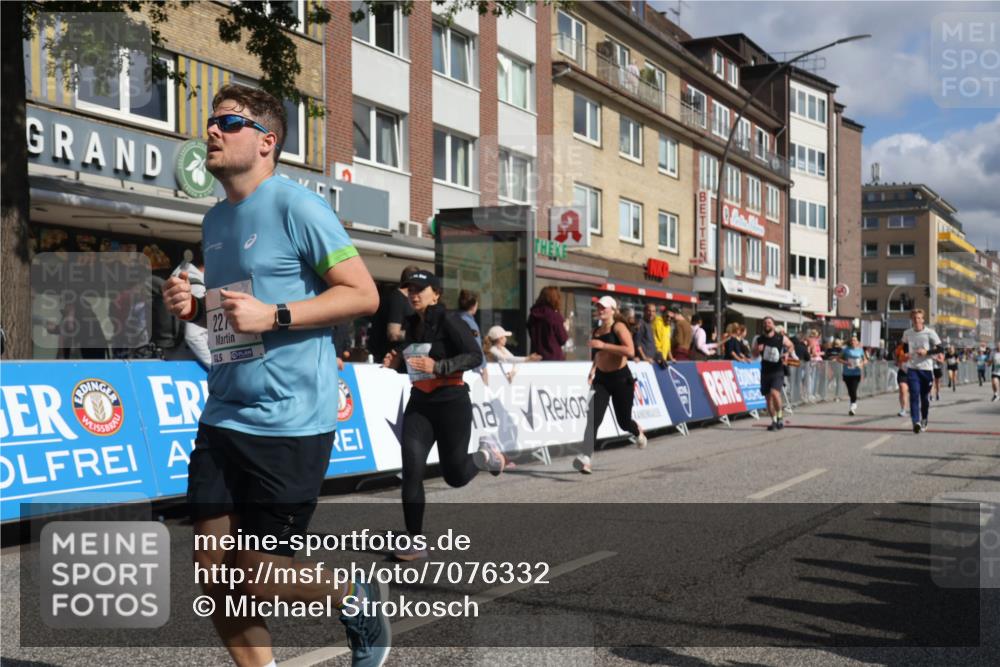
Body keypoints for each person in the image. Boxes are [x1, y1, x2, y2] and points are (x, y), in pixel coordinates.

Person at [160, 84, 389, 667]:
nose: (211, 131)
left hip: (289, 421)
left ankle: (356, 600)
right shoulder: (215, 219)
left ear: (267, 142)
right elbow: (237, 310)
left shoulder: (298, 206)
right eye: (211, 122)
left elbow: (363, 294)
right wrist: (196, 305)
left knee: (258, 577)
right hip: (224, 412)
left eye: (228, 123)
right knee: (214, 577)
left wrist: (278, 315)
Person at [382, 270, 507, 560]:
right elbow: (417, 365)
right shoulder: (411, 324)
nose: (413, 293)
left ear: (436, 294)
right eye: (410, 288)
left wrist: (439, 367)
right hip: (420, 403)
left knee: (454, 476)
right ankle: (414, 541)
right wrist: (397, 364)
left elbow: (475, 356)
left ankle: (483, 456)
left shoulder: (450, 320)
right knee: (412, 470)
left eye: (420, 288)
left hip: (452, 402)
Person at [573, 296, 648, 474]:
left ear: (613, 310)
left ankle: (637, 431)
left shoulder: (619, 327)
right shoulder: (596, 331)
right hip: (601, 380)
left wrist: (604, 345)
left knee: (623, 422)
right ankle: (586, 458)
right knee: (593, 418)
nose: (600, 309)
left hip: (621, 380)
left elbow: (629, 350)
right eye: (598, 306)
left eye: (604, 307)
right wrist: (593, 369)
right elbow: (599, 354)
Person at [901, 308, 944, 433]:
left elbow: (940, 349)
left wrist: (927, 352)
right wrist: (905, 354)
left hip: (926, 369)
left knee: (924, 397)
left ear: (923, 319)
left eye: (919, 318)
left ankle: (924, 418)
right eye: (914, 318)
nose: (917, 320)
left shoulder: (930, 333)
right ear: (912, 320)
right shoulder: (907, 333)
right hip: (913, 368)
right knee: (914, 395)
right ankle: (916, 422)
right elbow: (903, 347)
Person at [753, 316, 797, 431]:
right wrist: (758, 350)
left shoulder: (780, 338)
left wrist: (787, 353)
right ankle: (773, 421)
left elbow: (791, 345)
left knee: (774, 393)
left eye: (769, 322)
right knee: (768, 399)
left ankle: (780, 417)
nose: (767, 324)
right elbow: (754, 355)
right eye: (765, 323)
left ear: (773, 325)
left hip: (777, 370)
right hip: (765, 372)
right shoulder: (759, 339)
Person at [368, 265, 420, 364]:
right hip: (391, 359)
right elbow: (393, 334)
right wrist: (416, 334)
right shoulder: (397, 299)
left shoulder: (404, 299)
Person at [527, 286, 569, 361]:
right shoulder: (555, 316)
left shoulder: (532, 315)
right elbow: (563, 339)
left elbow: (531, 334)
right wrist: (565, 328)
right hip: (553, 358)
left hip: (536, 357)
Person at [457, 289, 488, 382]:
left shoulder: (454, 319)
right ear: (474, 306)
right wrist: (483, 367)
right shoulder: (470, 323)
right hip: (469, 369)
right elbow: (476, 345)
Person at [837, 335, 867, 415]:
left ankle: (853, 405)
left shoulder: (860, 350)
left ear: (857, 342)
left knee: (853, 389)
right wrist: (846, 362)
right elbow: (838, 359)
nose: (853, 342)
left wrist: (862, 364)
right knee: (850, 391)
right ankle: (852, 402)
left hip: (856, 373)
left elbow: (865, 360)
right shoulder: (845, 350)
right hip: (847, 373)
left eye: (854, 340)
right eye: (852, 340)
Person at [894, 340, 910, 417]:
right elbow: (896, 360)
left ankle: (915, 407)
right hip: (903, 372)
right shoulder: (899, 348)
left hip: (914, 373)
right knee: (903, 389)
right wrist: (898, 362)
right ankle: (903, 409)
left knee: (914, 392)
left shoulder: (916, 347)